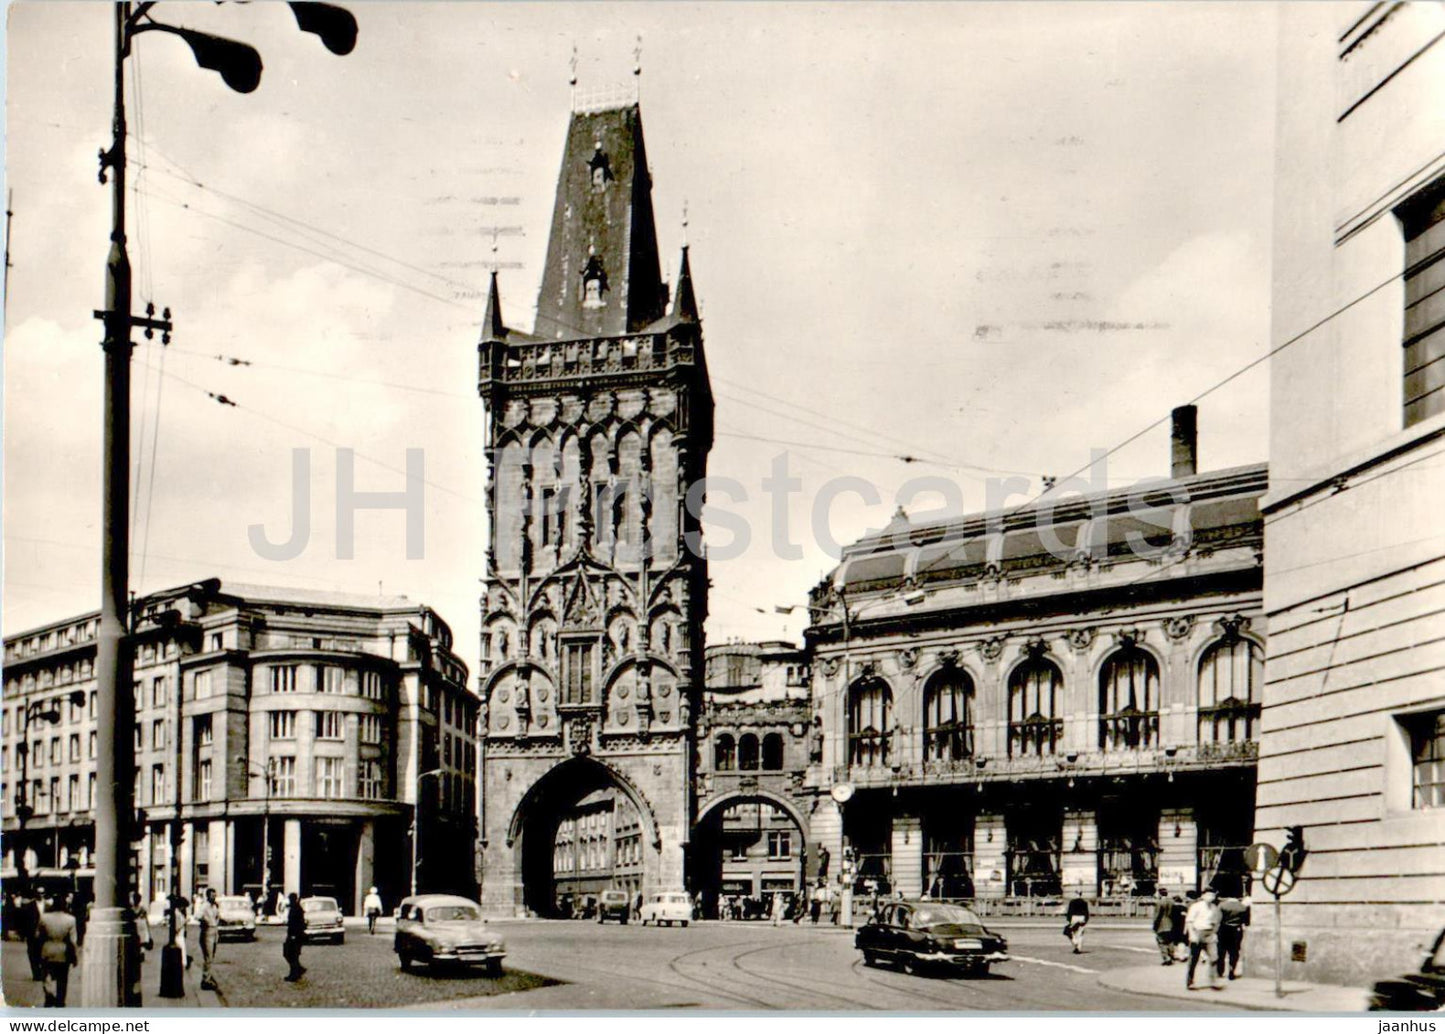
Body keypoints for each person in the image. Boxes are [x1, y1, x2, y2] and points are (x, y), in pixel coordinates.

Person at [37, 893, 79, 1007]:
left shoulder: (44, 918)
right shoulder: (71, 919)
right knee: (62, 979)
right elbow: (73, 941)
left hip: (47, 951)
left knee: (46, 976)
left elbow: (38, 936)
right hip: (63, 952)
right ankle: (60, 1000)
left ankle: (49, 995)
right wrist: (75, 957)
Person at [1184, 889, 1224, 990]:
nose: (1211, 897)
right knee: (1194, 959)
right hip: (1198, 932)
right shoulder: (1196, 906)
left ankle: (1213, 981)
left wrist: (1214, 934)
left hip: (1209, 934)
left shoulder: (1214, 908)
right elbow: (1189, 921)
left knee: (1214, 957)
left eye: (1213, 895)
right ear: (1203, 896)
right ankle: (1190, 981)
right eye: (1208, 895)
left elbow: (1216, 923)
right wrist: (1192, 934)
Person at [1217, 895, 1250, 980]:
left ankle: (1220, 971)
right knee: (1234, 951)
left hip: (1223, 929)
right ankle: (1232, 969)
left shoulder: (1222, 905)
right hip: (1236, 930)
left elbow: (1217, 918)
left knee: (1221, 951)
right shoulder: (1242, 906)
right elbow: (1246, 922)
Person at [197, 888, 221, 991]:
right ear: (208, 896)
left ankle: (208, 976)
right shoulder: (205, 906)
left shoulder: (214, 906)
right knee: (208, 957)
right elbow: (197, 916)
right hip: (207, 932)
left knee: (211, 957)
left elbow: (217, 917)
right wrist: (205, 921)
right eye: (212, 896)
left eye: (215, 895)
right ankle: (205, 979)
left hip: (214, 931)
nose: (214, 897)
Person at [283, 892, 306, 982]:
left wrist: (294, 935)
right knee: (289, 954)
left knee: (291, 955)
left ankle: (294, 974)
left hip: (295, 936)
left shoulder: (297, 909)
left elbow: (298, 924)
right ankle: (298, 970)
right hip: (293, 935)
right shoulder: (295, 908)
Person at [21, 892, 44, 981]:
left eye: (42, 893)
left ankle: (42, 972)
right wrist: (24, 934)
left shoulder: (48, 905)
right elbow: (24, 920)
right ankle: (36, 973)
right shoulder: (29, 906)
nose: (41, 895)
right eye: (39, 893)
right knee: (32, 954)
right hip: (32, 934)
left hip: (44, 934)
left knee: (43, 954)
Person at [1151, 889, 1176, 965]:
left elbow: (1157, 915)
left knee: (1161, 942)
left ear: (1159, 894)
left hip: (1162, 925)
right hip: (1170, 924)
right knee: (1170, 942)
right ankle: (1171, 956)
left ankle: (1166, 958)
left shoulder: (1159, 903)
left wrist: (1154, 926)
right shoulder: (1172, 902)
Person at [132, 892, 153, 962]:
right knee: (142, 941)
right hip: (142, 924)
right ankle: (141, 954)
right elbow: (146, 919)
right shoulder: (142, 909)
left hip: (136, 924)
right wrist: (149, 930)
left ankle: (139, 954)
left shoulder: (132, 909)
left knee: (138, 940)